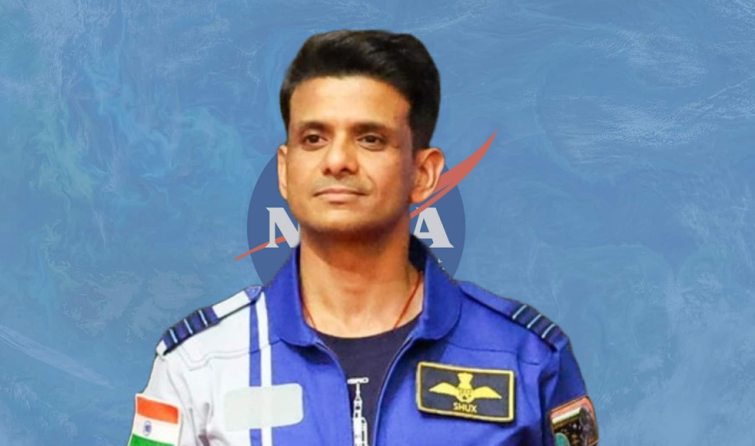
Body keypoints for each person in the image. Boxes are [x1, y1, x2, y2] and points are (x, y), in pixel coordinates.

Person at [127, 29, 598, 446]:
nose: (337, 161)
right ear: (285, 170)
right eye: (314, 138)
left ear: (423, 173)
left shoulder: (526, 357)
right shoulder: (199, 362)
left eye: (370, 139)